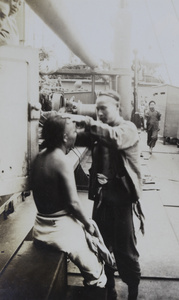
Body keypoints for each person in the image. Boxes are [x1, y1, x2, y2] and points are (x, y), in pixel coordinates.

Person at [74, 89, 144, 300]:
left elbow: (114, 139)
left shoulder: (127, 128)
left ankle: (133, 291)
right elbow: (72, 136)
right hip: (102, 199)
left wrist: (87, 121)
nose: (99, 113)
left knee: (125, 250)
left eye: (103, 108)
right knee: (101, 244)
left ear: (118, 108)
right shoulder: (97, 133)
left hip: (121, 200)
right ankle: (110, 287)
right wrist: (53, 120)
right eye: (97, 109)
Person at [31, 114, 107, 289]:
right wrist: (88, 223)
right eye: (74, 130)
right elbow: (73, 204)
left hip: (40, 227)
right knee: (98, 275)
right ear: (64, 137)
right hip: (59, 232)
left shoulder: (39, 157)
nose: (77, 133)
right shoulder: (61, 160)